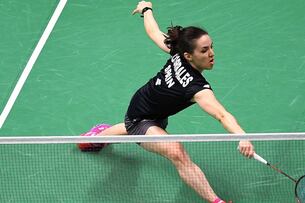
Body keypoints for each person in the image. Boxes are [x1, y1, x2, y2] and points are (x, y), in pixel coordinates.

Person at [78, 1, 255, 203]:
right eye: (204, 50)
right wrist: (146, 10)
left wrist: (146, 8)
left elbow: (222, 115)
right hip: (141, 115)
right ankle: (216, 201)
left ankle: (97, 136)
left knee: (134, 128)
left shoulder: (190, 72)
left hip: (155, 114)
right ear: (188, 55)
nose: (212, 54)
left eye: (211, 47)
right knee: (176, 152)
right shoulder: (191, 77)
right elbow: (154, 33)